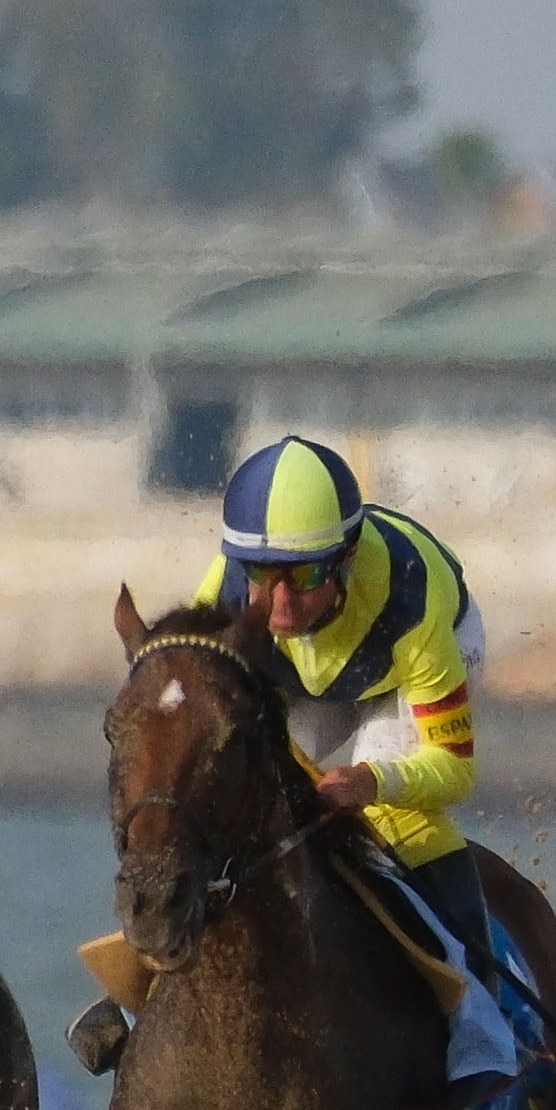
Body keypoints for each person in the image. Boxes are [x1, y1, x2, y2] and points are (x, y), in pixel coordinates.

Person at [73, 433, 483, 1073]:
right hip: (304, 675)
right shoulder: (233, 592)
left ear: (345, 560)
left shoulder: (414, 613)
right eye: (264, 577)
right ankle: (138, 991)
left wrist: (374, 783)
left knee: (399, 823)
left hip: (398, 680)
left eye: (308, 576)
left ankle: (484, 1027)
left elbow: (456, 769)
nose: (282, 603)